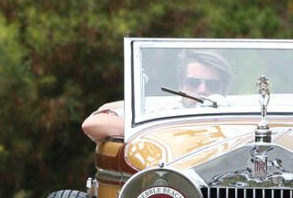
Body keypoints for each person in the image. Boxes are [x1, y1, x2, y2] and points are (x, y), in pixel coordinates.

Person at [81, 49, 234, 142]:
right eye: (193, 83)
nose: (202, 90)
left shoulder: (237, 117)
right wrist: (155, 130)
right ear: (181, 85)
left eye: (212, 84)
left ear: (223, 90)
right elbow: (92, 124)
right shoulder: (162, 113)